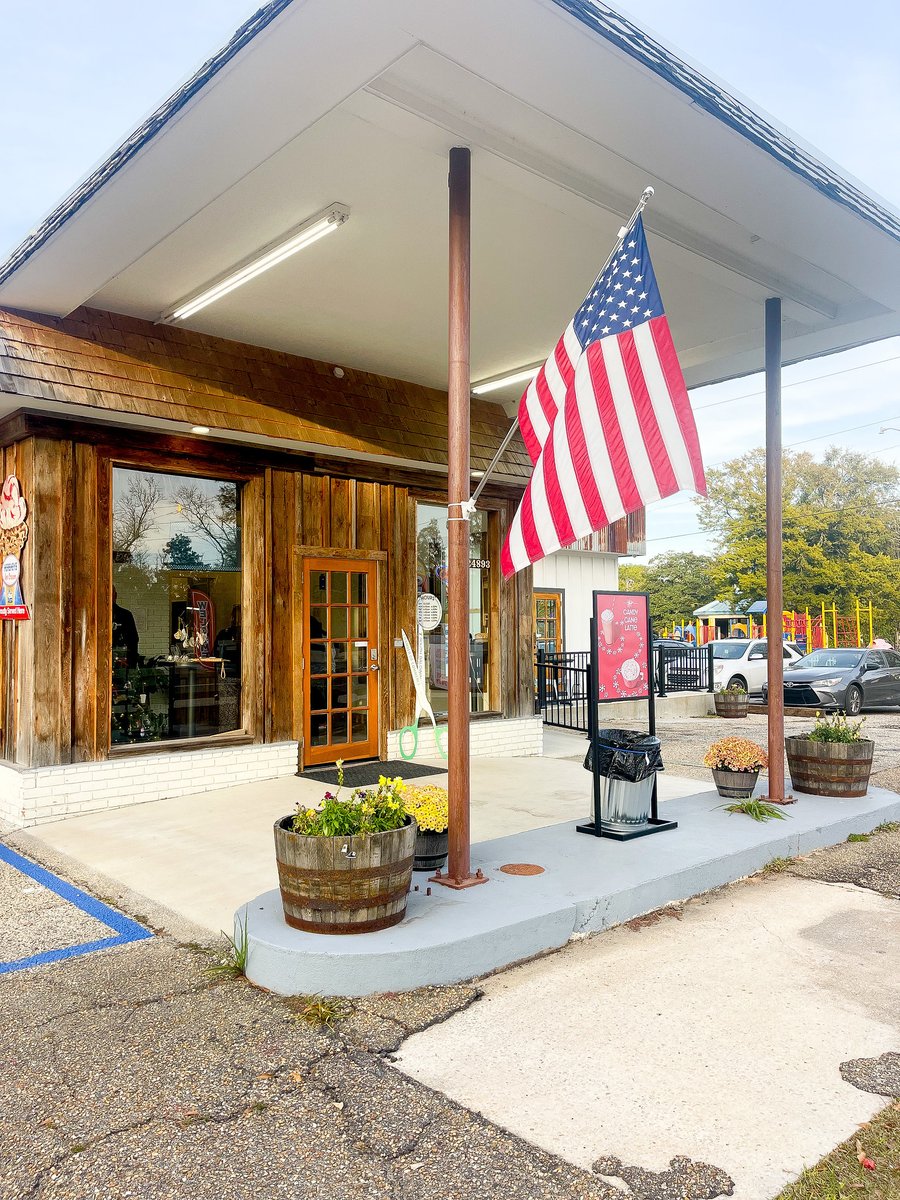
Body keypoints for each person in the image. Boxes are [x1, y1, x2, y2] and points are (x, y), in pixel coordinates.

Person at [112, 587, 140, 668]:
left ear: (115, 595)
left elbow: (133, 640)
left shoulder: (125, 615)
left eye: (110, 594)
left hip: (122, 662)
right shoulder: (95, 616)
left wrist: (131, 662)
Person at [214, 605, 242, 676]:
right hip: (242, 672)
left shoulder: (223, 634)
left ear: (232, 618)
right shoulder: (249, 635)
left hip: (224, 673)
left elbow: (215, 653)